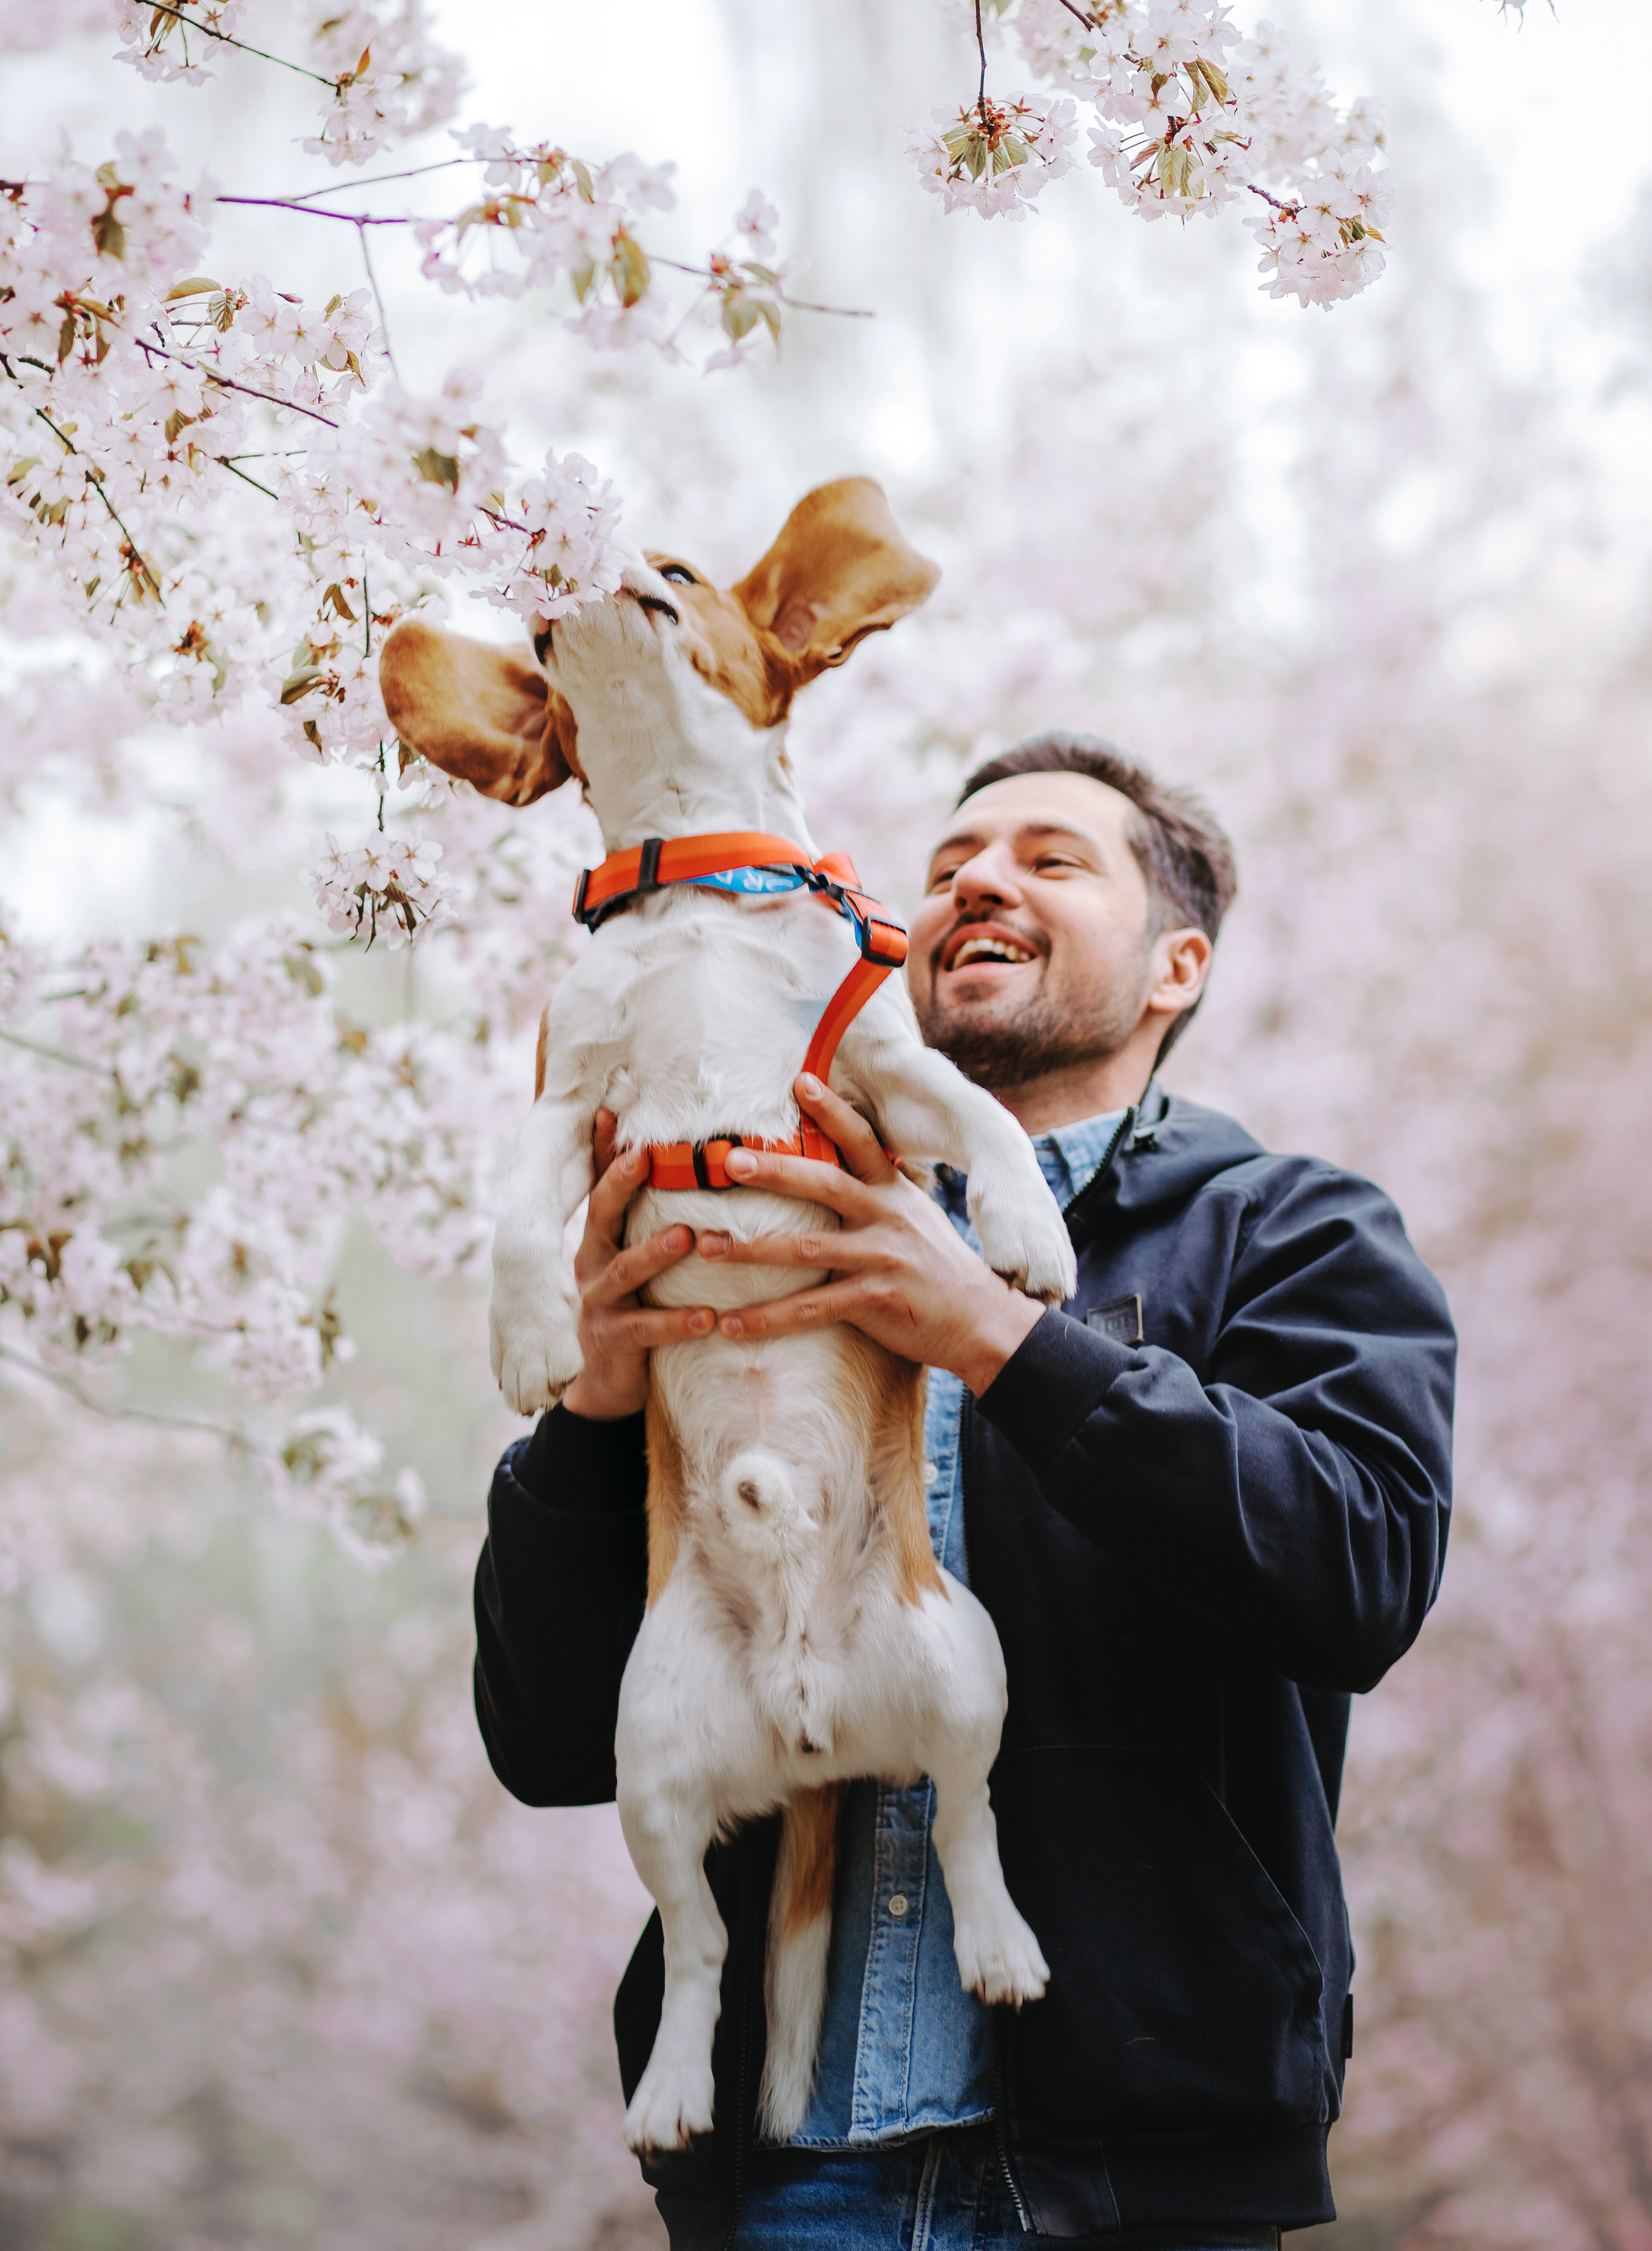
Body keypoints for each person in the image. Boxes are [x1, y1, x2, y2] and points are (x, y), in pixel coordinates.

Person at [473, 731, 1456, 2251]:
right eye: (945, 868)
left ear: (1172, 967)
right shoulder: (757, 1234)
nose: (975, 883)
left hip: (1131, 2180)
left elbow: (1354, 1571)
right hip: (785, 2167)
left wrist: (997, 1337)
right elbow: (546, 1743)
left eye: (1049, 860)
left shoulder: (1286, 1229)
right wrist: (596, 1423)